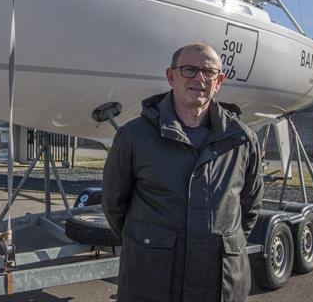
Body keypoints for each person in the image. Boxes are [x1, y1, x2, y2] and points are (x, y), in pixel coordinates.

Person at [102, 41, 263, 302]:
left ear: (219, 80)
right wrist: (151, 244)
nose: (199, 77)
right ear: (171, 76)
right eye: (189, 69)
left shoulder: (241, 139)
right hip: (153, 285)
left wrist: (220, 243)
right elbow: (114, 206)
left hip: (220, 286)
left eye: (209, 72)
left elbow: (249, 207)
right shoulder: (133, 137)